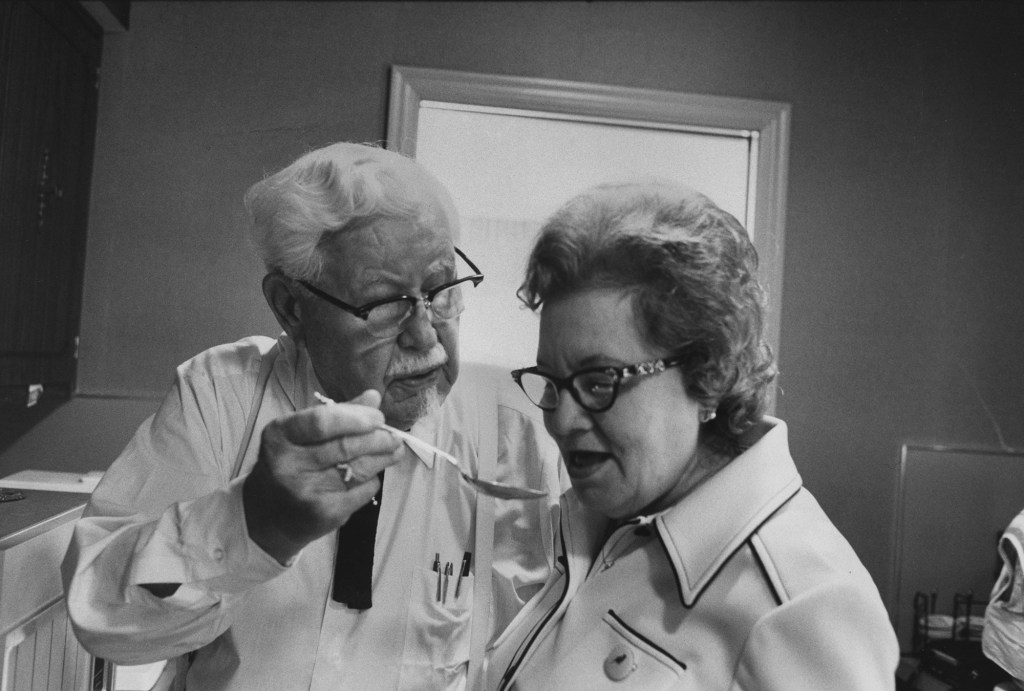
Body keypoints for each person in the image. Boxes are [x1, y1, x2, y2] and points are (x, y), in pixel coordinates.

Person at [62, 142, 566, 691]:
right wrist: (252, 522)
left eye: (442, 290)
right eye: (383, 303)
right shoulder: (222, 397)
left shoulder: (516, 432)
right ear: (292, 308)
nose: (426, 336)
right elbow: (100, 615)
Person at [486, 180, 900, 689]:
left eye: (600, 382)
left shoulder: (802, 605)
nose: (561, 420)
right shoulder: (600, 524)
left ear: (709, 375)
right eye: (552, 381)